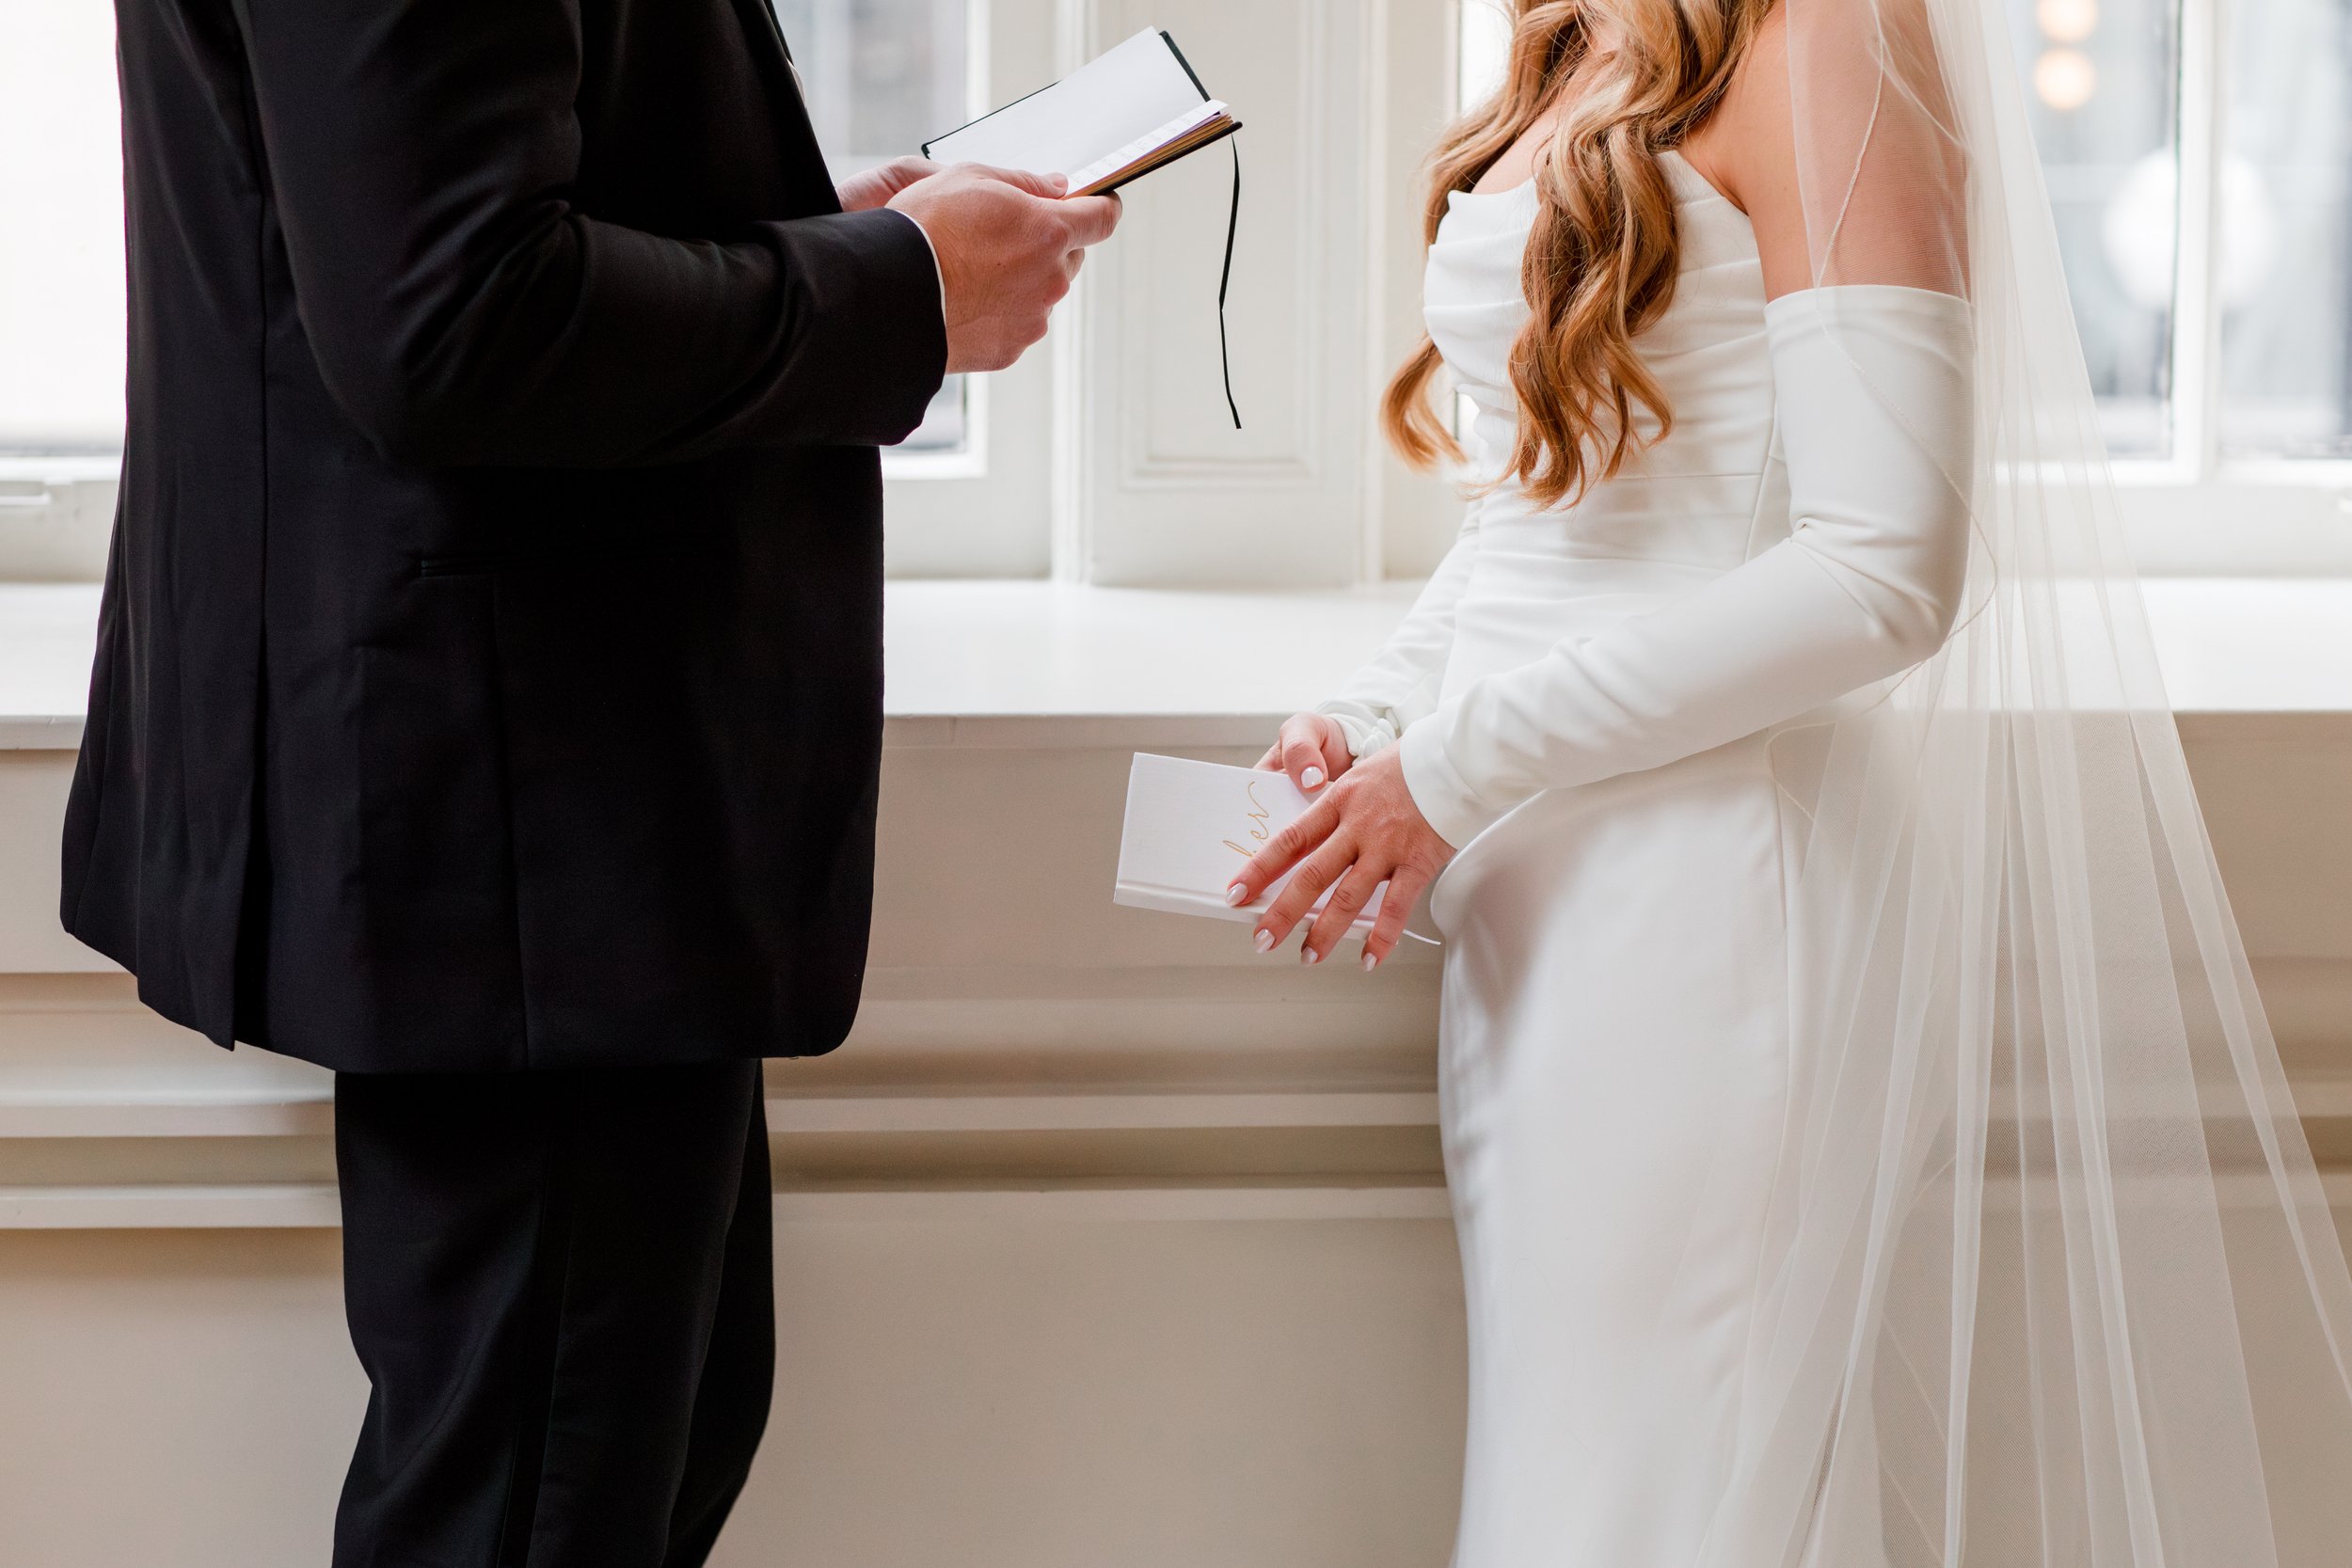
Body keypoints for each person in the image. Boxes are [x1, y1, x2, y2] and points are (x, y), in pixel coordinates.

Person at [1229, 0, 2352, 1561]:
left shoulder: (1833, 34)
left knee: (1665, 1495)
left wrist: (1461, 762)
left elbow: (1887, 569)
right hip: (1540, 902)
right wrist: (1376, 711)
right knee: (1590, 1477)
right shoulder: (1584, 35)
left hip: (1713, 889)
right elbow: (1548, 508)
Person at [63, 2, 1117, 1562]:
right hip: (523, 815)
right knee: (539, 1503)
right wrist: (895, 291)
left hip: (540, 804)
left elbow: (441, 232)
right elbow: (453, 323)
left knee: (619, 1461)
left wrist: (820, 244)